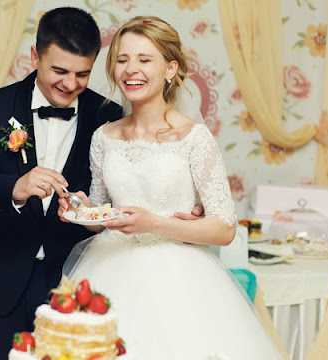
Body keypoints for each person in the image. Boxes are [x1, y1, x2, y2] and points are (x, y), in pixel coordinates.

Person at [58, 16, 282, 359]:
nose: (131, 69)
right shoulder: (104, 136)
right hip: (109, 267)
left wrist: (156, 223)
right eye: (122, 59)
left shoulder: (194, 138)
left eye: (145, 60)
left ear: (170, 68)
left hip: (178, 279)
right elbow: (102, 213)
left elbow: (224, 228)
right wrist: (80, 210)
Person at [0, 8, 123, 359]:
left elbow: (123, 195)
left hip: (77, 278)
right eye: (59, 70)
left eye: (82, 74)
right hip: (5, 277)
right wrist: (13, 187)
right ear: (34, 56)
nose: (70, 84)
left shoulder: (109, 115)